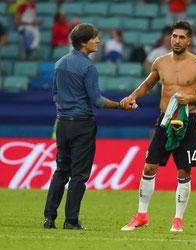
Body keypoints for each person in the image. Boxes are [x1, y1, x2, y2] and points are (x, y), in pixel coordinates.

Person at [120, 21, 196, 232]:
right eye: (174, 36)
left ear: (189, 40)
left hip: (188, 121)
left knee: (183, 171)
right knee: (149, 167)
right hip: (165, 120)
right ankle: (141, 216)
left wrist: (191, 97)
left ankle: (177, 220)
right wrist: (132, 96)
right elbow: (147, 85)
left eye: (182, 37)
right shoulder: (160, 62)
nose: (177, 40)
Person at [43, 23, 137, 230]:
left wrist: (65, 111)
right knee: (79, 174)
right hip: (82, 124)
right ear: (84, 43)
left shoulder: (59, 63)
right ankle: (71, 220)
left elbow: (55, 95)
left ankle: (49, 217)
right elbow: (98, 101)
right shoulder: (88, 67)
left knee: (61, 171)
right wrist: (121, 106)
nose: (98, 41)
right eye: (94, 38)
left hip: (62, 123)